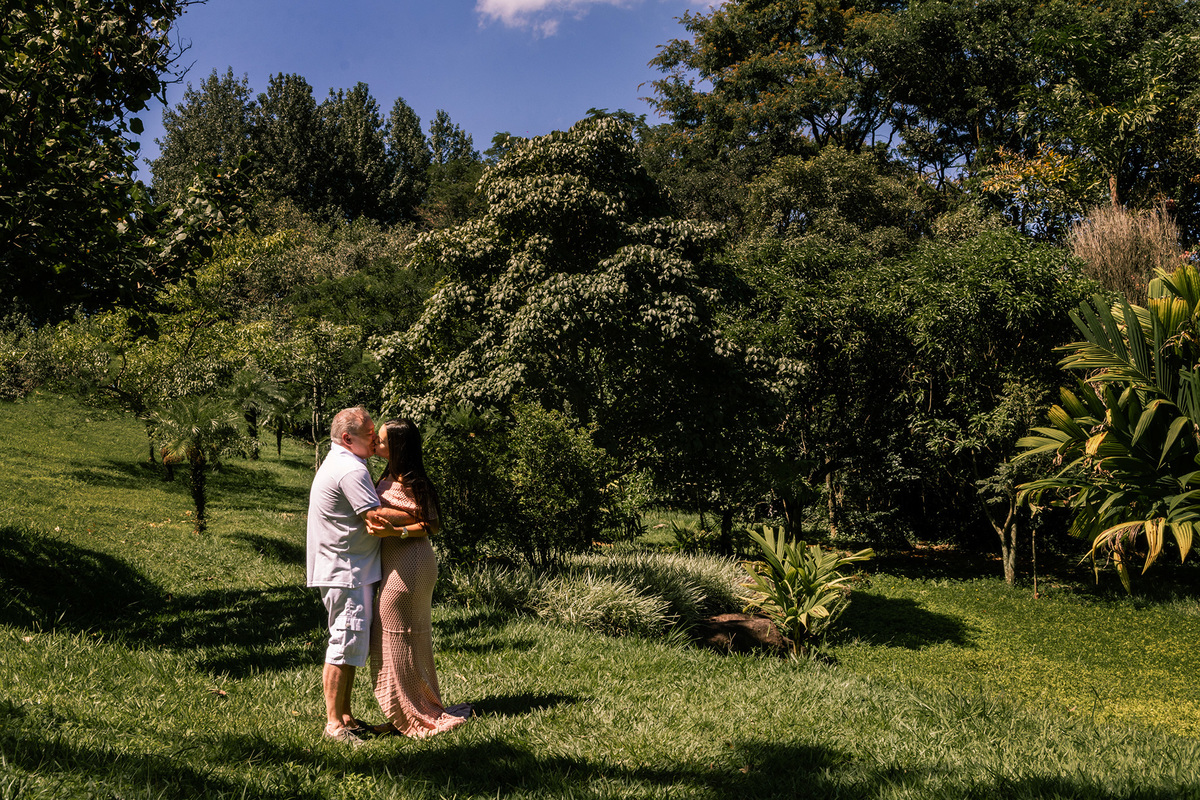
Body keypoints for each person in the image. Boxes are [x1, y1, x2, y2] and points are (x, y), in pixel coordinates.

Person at [364, 418, 472, 737]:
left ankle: (414, 715)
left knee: (399, 635)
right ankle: (406, 712)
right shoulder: (385, 474)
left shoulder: (416, 481)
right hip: (393, 561)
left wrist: (396, 529)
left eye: (381, 441)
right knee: (398, 637)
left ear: (398, 447)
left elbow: (432, 525)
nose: (375, 444)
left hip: (412, 562)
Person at [305, 406, 382, 744]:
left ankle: (346, 715)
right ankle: (334, 724)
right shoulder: (350, 469)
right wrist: (420, 519)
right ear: (348, 438)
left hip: (348, 567)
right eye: (370, 434)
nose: (377, 439)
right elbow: (375, 518)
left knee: (351, 644)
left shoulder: (344, 462)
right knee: (344, 641)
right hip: (346, 570)